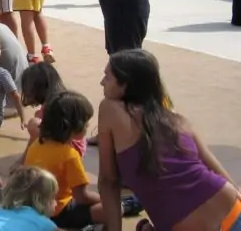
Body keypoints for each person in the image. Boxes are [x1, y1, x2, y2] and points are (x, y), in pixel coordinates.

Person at [98, 49, 240, 231]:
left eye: (107, 77)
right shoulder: (178, 121)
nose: (102, 82)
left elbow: (108, 181)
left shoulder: (111, 109)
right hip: (230, 208)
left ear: (125, 84)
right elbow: (215, 168)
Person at [23, 91, 106, 228]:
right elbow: (82, 197)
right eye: (85, 122)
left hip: (35, 210)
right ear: (73, 127)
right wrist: (106, 201)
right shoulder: (69, 155)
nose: (87, 126)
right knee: (110, 209)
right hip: (58, 212)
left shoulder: (37, 144)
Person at [0, 166, 59, 231]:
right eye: (53, 198)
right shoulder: (44, 224)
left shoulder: (4, 210)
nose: (56, 203)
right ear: (41, 200)